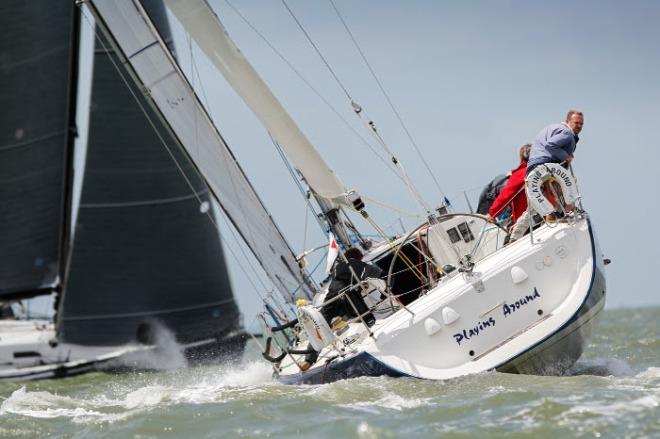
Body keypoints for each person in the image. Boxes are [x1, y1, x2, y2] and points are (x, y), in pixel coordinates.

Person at [300, 247, 383, 370]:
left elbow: (348, 277)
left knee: (320, 327)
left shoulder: (337, 268)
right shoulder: (354, 263)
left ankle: (308, 361)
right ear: (358, 257)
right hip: (347, 297)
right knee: (367, 319)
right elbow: (377, 272)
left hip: (331, 299)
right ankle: (372, 337)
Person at [526, 110, 584, 218]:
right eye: (576, 123)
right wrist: (566, 157)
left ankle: (553, 215)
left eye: (581, 124)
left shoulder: (555, 128)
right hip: (545, 163)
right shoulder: (567, 133)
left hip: (533, 166)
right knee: (567, 183)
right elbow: (550, 145)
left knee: (539, 201)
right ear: (568, 121)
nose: (579, 126)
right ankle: (569, 211)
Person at [486, 144, 531, 226]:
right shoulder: (544, 166)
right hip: (550, 212)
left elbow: (505, 196)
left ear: (521, 158)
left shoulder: (520, 174)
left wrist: (492, 214)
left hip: (529, 221)